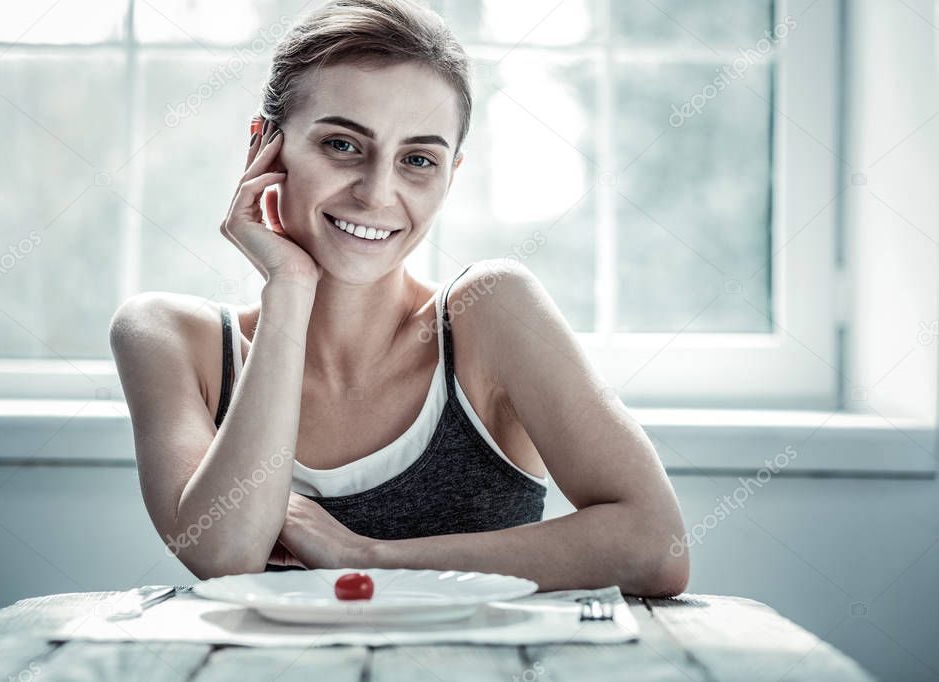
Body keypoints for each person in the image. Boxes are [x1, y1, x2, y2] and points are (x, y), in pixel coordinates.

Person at [110, 0, 689, 596]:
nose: (376, 192)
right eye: (341, 145)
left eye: (417, 160)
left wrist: (366, 556)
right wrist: (289, 288)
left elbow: (655, 546)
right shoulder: (169, 338)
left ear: (450, 175)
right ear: (265, 146)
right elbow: (225, 554)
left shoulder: (492, 312)